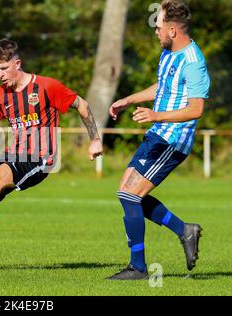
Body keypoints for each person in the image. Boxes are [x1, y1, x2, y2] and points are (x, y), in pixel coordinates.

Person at [0, 38, 103, 270]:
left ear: (18, 63)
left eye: (4, 68)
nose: (0, 75)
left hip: (40, 158)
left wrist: (95, 139)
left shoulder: (46, 86)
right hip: (13, 154)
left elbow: (82, 105)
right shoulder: (0, 96)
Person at [107, 0, 210, 280]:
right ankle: (184, 230)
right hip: (158, 134)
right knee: (126, 194)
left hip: (173, 140)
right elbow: (162, 86)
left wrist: (156, 115)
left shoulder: (193, 62)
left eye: (159, 25)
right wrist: (128, 99)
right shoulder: (168, 52)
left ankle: (138, 267)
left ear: (173, 30)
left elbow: (196, 109)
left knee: (130, 194)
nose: (156, 31)